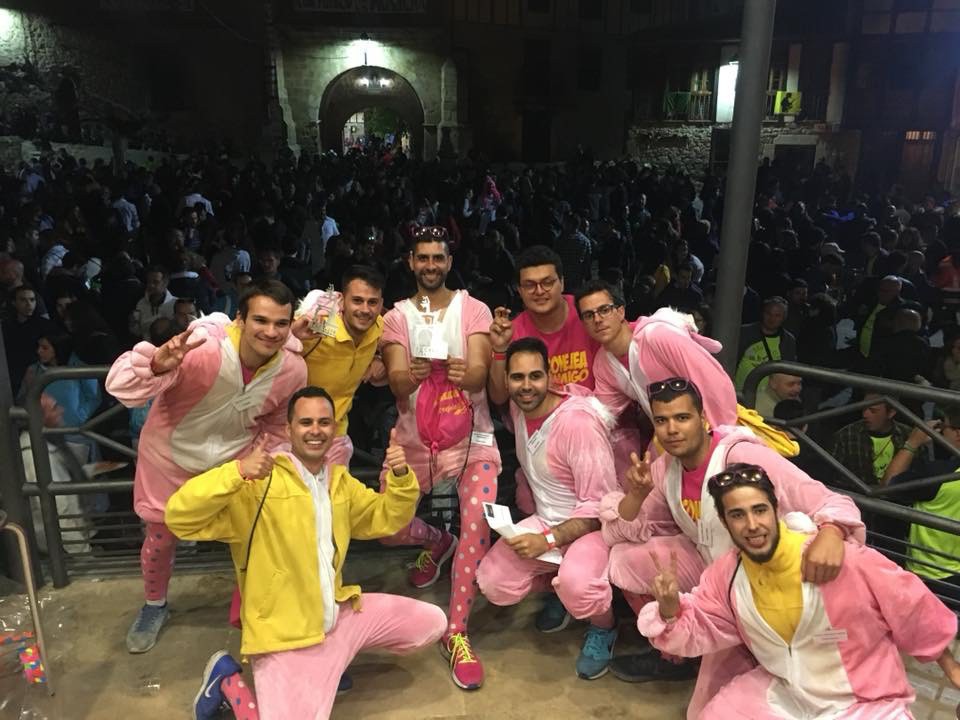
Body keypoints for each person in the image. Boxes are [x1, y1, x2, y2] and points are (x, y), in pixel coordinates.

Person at [168, 386, 446, 720]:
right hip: (284, 635)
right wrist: (237, 471)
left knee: (432, 623)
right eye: (306, 422)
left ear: (334, 428)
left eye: (324, 422)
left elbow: (385, 518)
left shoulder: (338, 482)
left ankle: (332, 662)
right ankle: (227, 680)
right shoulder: (258, 484)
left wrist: (400, 477)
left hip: (337, 617)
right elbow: (179, 517)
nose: (316, 430)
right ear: (288, 430)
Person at [599, 378, 864, 717]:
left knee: (710, 710)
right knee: (624, 559)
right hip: (721, 579)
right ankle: (678, 653)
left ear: (703, 418)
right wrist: (636, 496)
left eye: (682, 417)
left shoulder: (743, 456)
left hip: (772, 581)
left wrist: (832, 532)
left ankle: (764, 655)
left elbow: (828, 500)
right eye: (662, 420)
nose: (672, 429)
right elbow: (621, 531)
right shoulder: (666, 468)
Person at [638, 463, 960, 719]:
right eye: (737, 515)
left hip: (866, 703)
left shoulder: (842, 559)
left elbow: (912, 607)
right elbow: (702, 624)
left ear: (776, 509)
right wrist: (669, 608)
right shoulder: (727, 574)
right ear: (724, 521)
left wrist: (952, 669)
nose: (752, 525)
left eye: (759, 510)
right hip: (785, 695)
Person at [106, 279, 307, 653]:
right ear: (240, 319)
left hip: (232, 465)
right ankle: (154, 605)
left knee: (255, 535)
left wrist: (264, 458)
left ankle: (255, 606)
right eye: (261, 320)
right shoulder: (201, 349)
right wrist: (156, 364)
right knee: (161, 539)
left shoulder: (292, 370)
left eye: (281, 323)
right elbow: (120, 388)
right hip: (169, 460)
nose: (271, 331)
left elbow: (278, 424)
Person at [379, 225, 500, 689]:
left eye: (438, 257)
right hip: (413, 441)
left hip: (473, 440)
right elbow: (396, 382)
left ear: (449, 262)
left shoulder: (474, 309)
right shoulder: (396, 317)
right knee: (387, 528)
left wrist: (463, 373)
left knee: (477, 520)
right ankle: (436, 541)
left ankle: (457, 631)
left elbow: (479, 374)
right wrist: (410, 375)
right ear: (411, 262)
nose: (431, 265)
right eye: (423, 257)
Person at [476, 338, 619, 680]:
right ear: (507, 380)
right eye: (517, 377)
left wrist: (549, 540)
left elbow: (599, 507)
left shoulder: (578, 423)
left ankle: (604, 626)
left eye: (535, 376)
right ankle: (561, 588)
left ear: (550, 376)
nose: (526, 386)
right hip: (546, 520)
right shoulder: (518, 410)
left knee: (579, 586)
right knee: (494, 582)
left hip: (591, 530)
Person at [295, 265, 387, 466]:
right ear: (342, 300)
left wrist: (379, 359)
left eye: (372, 302)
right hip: (295, 435)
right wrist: (291, 335)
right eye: (357, 301)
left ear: (381, 304)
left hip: (336, 435)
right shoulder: (316, 324)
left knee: (335, 487)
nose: (365, 309)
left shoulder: (380, 327)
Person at [487, 245, 600, 400]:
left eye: (547, 282)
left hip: (594, 410)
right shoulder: (511, 332)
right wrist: (500, 350)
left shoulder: (589, 312)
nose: (539, 291)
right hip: (538, 415)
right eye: (529, 285)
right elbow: (499, 397)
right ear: (519, 290)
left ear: (562, 283)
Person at [884, 407, 960, 602]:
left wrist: (912, 442)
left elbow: (888, 485)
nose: (940, 432)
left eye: (944, 427)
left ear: (958, 434)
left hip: (933, 573)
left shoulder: (939, 474)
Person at [831, 393, 912, 489]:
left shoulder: (907, 435)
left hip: (897, 495)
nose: (865, 415)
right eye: (863, 409)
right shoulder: (846, 435)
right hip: (857, 495)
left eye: (873, 411)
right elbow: (832, 476)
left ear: (891, 413)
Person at [734, 296, 797, 393]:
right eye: (768, 313)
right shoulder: (744, 333)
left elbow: (788, 371)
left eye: (777, 315)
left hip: (771, 396)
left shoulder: (788, 341)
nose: (772, 318)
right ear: (762, 313)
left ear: (784, 317)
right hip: (740, 392)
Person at [130, 265, 177, 340]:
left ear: (165, 283)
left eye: (155, 282)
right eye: (149, 282)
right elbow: (137, 332)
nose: (151, 285)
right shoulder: (141, 303)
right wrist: (133, 325)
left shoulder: (176, 304)